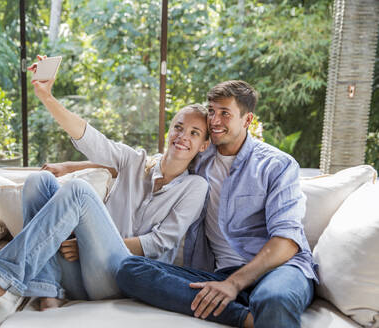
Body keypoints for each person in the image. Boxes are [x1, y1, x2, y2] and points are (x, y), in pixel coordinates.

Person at [0, 56, 211, 311]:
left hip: (121, 278)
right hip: (79, 274)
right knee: (39, 181)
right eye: (178, 127)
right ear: (169, 129)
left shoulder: (195, 187)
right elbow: (90, 139)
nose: (183, 136)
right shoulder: (134, 160)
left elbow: (161, 242)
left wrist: (89, 243)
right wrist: (46, 97)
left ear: (203, 145)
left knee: (78, 191)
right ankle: (48, 290)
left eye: (194, 133)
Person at [115, 80, 318, 328]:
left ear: (247, 120)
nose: (214, 120)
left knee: (273, 298)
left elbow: (287, 242)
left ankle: (250, 303)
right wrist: (74, 166)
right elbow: (146, 163)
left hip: (279, 270)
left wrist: (234, 284)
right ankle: (246, 318)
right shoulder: (199, 158)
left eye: (225, 113)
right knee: (131, 269)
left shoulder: (277, 165)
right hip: (220, 274)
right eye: (211, 111)